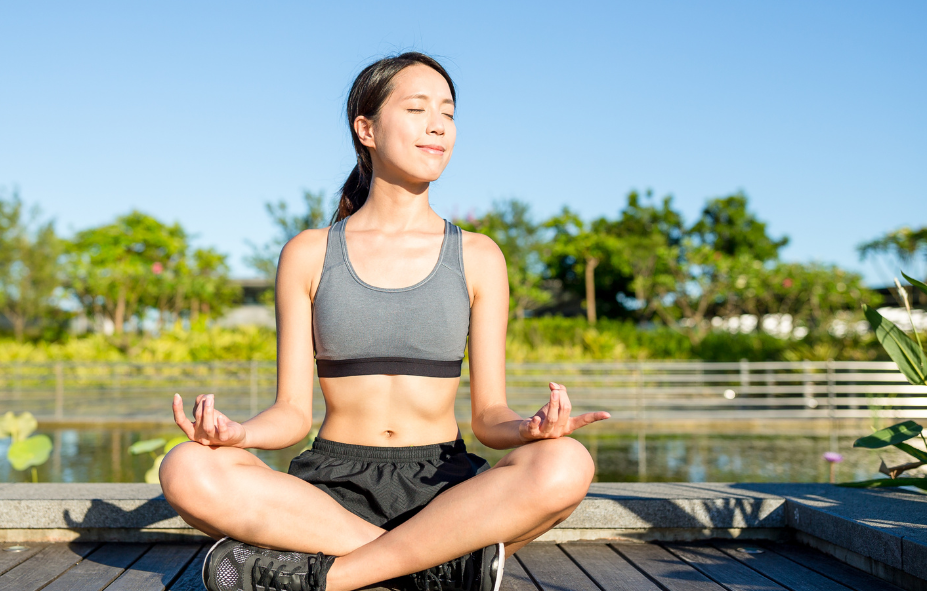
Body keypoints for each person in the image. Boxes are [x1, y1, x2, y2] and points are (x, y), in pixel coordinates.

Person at [160, 52, 610, 591]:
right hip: (330, 489)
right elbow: (291, 414)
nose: (438, 125)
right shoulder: (309, 253)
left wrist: (530, 430)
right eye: (418, 109)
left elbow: (490, 416)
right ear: (366, 128)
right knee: (186, 467)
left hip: (445, 486)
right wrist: (239, 434)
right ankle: (435, 568)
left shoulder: (479, 255)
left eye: (447, 111)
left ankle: (331, 577)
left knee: (566, 463)